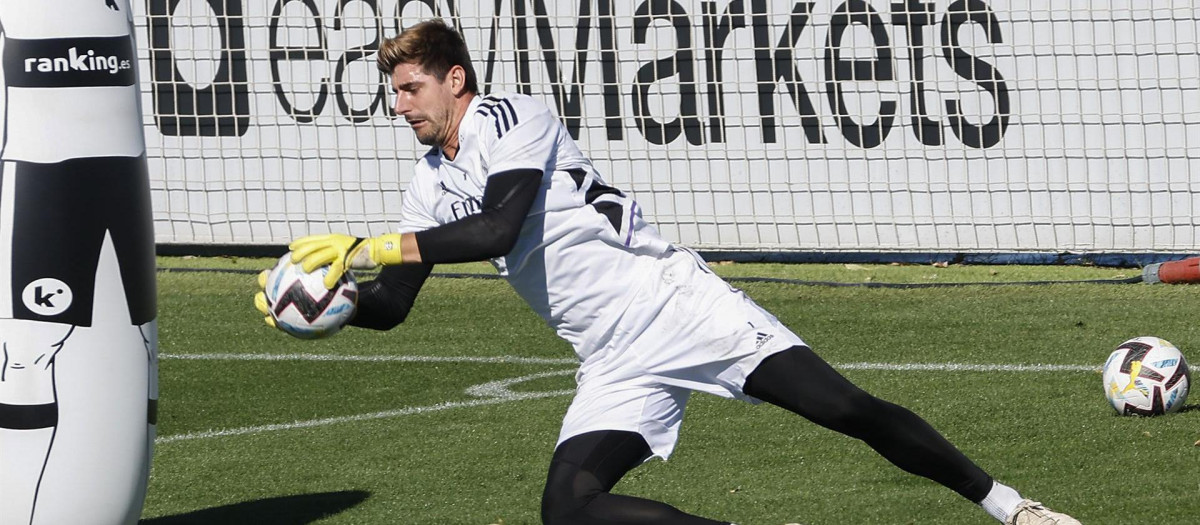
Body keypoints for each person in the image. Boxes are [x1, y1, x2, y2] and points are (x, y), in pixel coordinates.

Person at [254, 19, 1082, 525]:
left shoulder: (514, 117)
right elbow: (394, 304)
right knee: (568, 508)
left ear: (455, 80)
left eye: (409, 88)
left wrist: (366, 247)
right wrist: (326, 301)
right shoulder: (426, 182)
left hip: (678, 305)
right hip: (613, 357)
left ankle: (1010, 505)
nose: (400, 105)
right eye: (395, 93)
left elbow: (500, 223)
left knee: (845, 408)